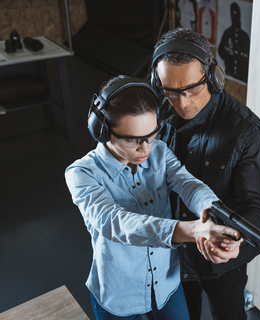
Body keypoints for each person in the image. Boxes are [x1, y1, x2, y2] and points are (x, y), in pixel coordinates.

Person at [65, 75, 241, 320]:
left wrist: (212, 212)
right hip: (119, 296)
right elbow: (114, 222)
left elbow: (187, 183)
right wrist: (192, 230)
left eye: (151, 134)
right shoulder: (82, 173)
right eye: (132, 140)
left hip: (166, 284)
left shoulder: (159, 151)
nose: (145, 149)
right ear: (102, 130)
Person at [150, 28, 260, 320]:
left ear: (214, 78)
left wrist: (235, 244)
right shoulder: (155, 115)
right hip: (169, 256)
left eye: (192, 89)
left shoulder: (246, 132)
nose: (181, 102)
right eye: (170, 91)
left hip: (221, 265)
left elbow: (254, 206)